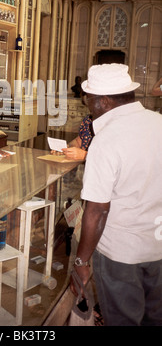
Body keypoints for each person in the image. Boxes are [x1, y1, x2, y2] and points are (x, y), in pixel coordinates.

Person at [70, 63, 162, 326]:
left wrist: (81, 260)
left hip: (122, 255)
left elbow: (97, 210)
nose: (87, 104)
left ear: (105, 101)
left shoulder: (107, 140)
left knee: (124, 320)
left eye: (89, 98)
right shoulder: (159, 123)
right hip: (158, 245)